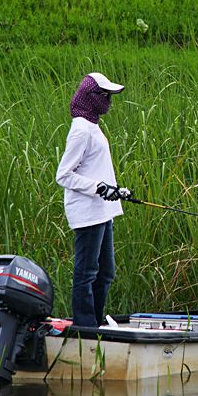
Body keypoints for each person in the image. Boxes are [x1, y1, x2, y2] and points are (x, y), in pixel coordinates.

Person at [55, 72, 131, 327]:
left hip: (102, 210)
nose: (109, 101)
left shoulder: (93, 126)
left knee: (106, 272)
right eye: (105, 96)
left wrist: (116, 189)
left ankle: (96, 322)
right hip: (87, 211)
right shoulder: (80, 130)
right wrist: (98, 188)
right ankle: (85, 326)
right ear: (91, 97)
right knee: (86, 272)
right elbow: (63, 175)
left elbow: (96, 169)